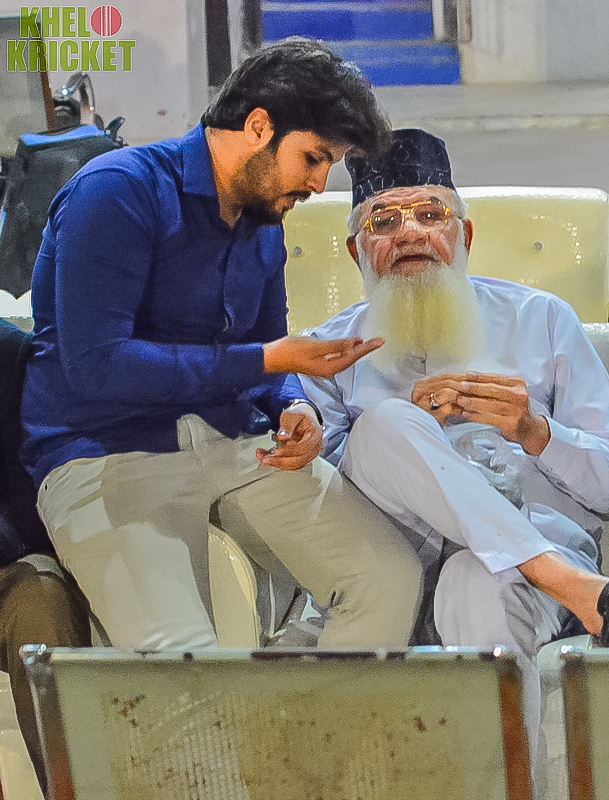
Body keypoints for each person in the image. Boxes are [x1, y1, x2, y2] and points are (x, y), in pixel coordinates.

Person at [21, 40, 424, 652]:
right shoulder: (116, 192)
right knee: (186, 670)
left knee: (388, 579)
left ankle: (310, 718)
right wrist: (267, 362)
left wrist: (295, 407)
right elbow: (96, 366)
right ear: (258, 127)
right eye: (314, 157)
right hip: (105, 450)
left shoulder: (263, 222)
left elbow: (269, 357)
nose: (319, 183)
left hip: (236, 442)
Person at [299, 129, 609, 664]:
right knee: (383, 424)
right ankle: (573, 586)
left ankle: (546, 580)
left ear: (464, 235)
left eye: (431, 215)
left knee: (478, 582)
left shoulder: (541, 320)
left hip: (526, 564)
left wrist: (535, 432)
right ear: (357, 251)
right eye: (384, 222)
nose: (410, 234)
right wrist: (412, 436)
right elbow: (316, 508)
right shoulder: (327, 354)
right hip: (398, 569)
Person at [0, 319, 90, 792]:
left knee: (41, 604)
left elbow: (36, 490)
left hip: (12, 567)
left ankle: (72, 790)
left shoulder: (13, 355)